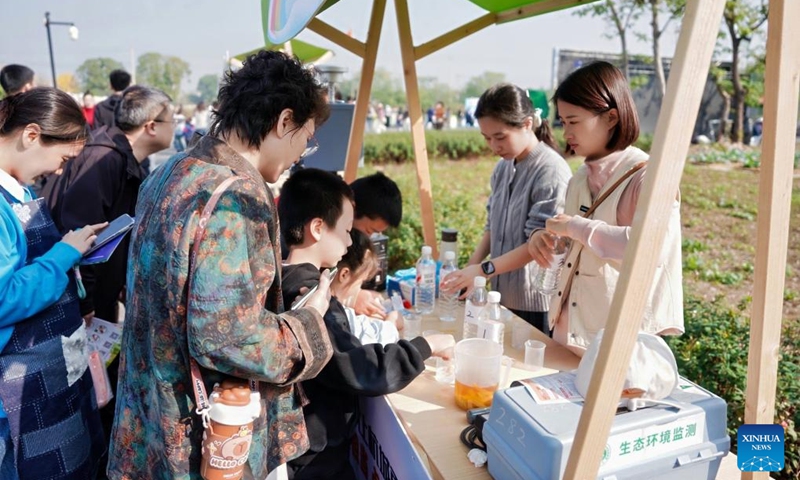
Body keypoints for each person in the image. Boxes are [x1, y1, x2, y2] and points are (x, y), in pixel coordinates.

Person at [107, 50, 336, 479]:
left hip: (148, 419)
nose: (303, 153)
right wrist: (309, 323)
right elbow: (226, 335)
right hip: (201, 435)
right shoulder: (234, 196)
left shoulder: (171, 170)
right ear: (285, 121)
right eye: (307, 137)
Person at [278, 168, 454, 480]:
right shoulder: (309, 296)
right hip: (314, 460)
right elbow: (358, 369)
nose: (351, 242)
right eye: (347, 230)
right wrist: (426, 346)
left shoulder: (285, 277)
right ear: (318, 228)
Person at [528, 61, 684, 354]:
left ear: (611, 117)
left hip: (618, 347)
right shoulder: (579, 179)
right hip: (568, 336)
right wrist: (544, 240)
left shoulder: (649, 177)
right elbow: (570, 244)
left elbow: (649, 249)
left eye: (573, 121)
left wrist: (575, 227)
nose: (566, 133)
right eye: (563, 122)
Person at [0, 87, 106, 479]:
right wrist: (63, 255)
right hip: (18, 394)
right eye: (62, 158)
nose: (60, 171)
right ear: (31, 135)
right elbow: (2, 298)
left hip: (50, 376)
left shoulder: (20, 189)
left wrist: (72, 250)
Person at [441, 83, 571, 334]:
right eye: (487, 138)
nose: (493, 146)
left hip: (535, 304)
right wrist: (468, 273)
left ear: (527, 124)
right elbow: (493, 227)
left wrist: (482, 270)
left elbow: (539, 245)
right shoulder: (503, 168)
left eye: (500, 137)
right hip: (500, 298)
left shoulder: (551, 171)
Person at [349, 172, 403, 318]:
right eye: (369, 230)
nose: (369, 238)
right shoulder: (325, 241)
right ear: (352, 210)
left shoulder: (355, 239)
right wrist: (351, 297)